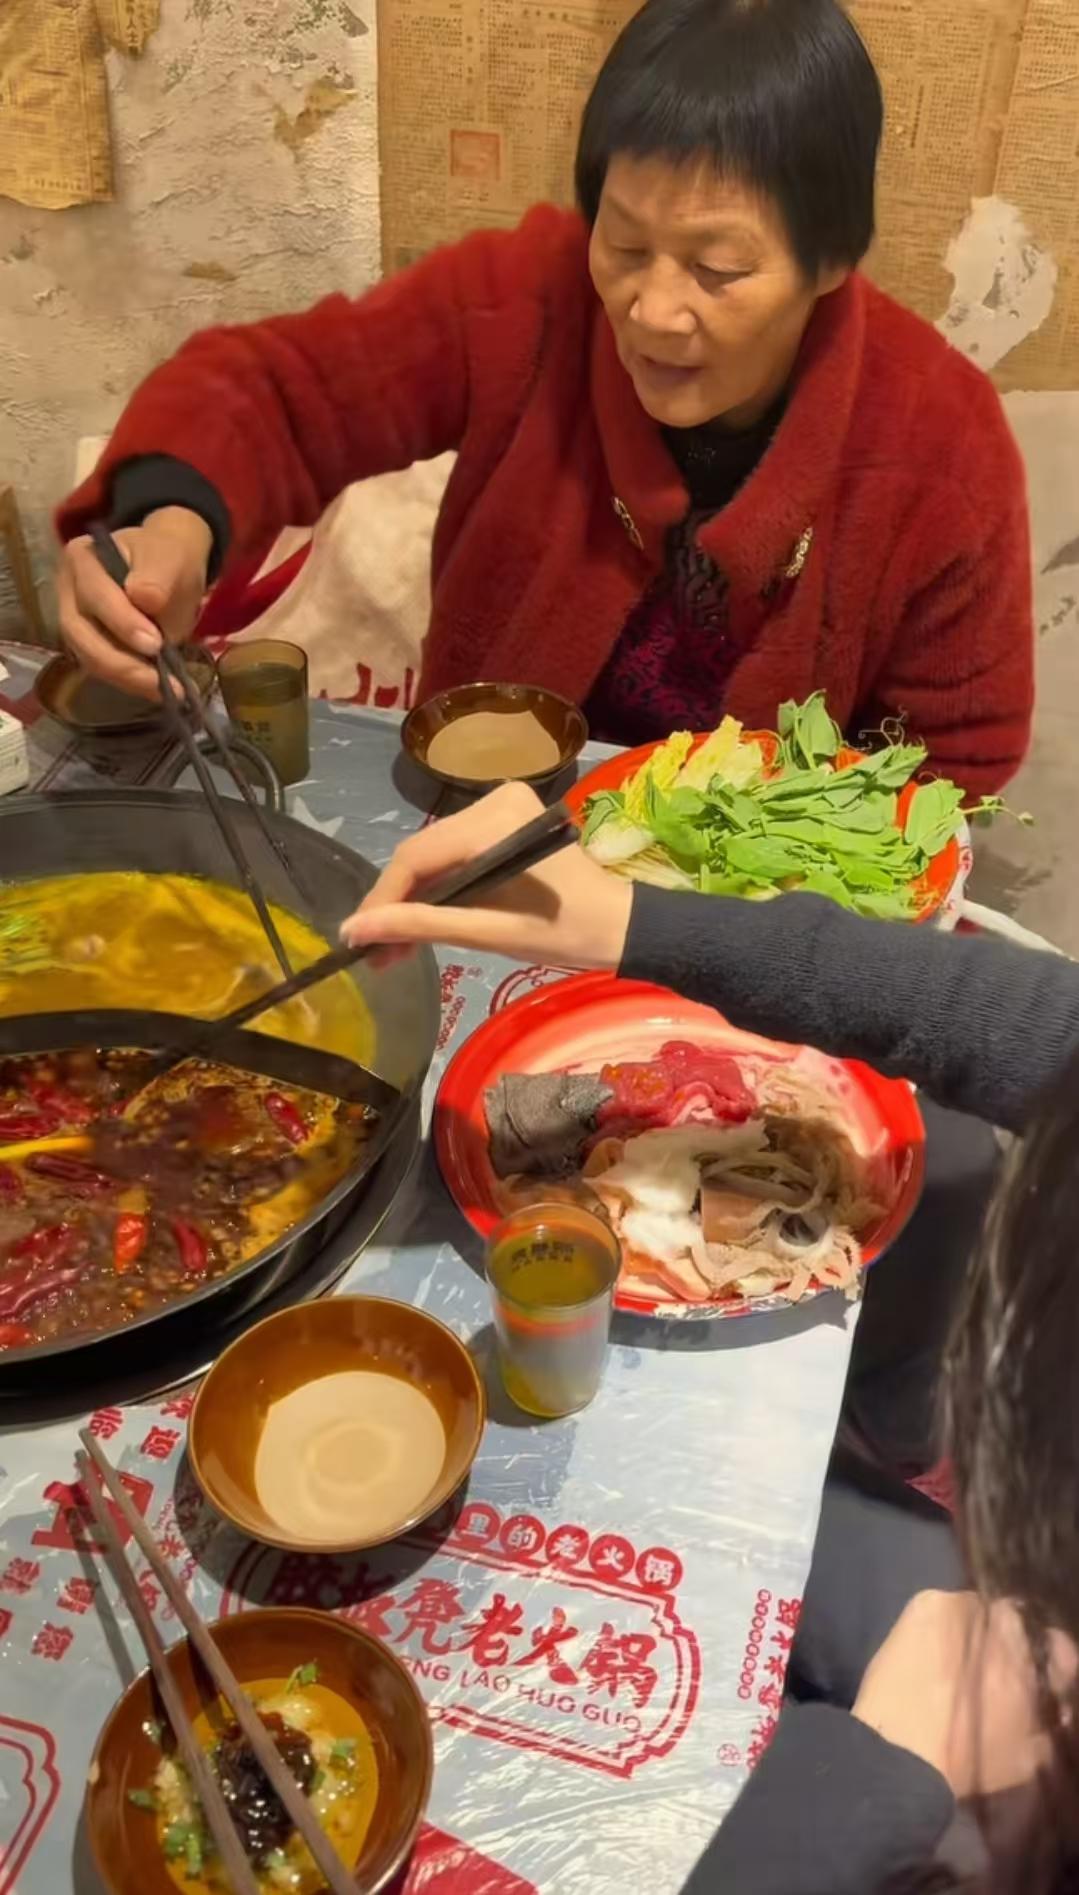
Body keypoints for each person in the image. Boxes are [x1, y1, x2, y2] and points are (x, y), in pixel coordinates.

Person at [341, 782, 1079, 1892]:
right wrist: (633, 922)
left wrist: (878, 1773)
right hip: (1011, 1618)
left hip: (934, 1776)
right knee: (694, 1495)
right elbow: (1043, 1032)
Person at [55, 0, 1031, 793]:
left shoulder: (939, 441)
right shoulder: (527, 298)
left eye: (717, 268)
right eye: (626, 242)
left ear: (830, 260)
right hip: (484, 829)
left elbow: (948, 770)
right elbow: (282, 391)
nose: (651, 310)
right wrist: (170, 523)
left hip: (756, 907)